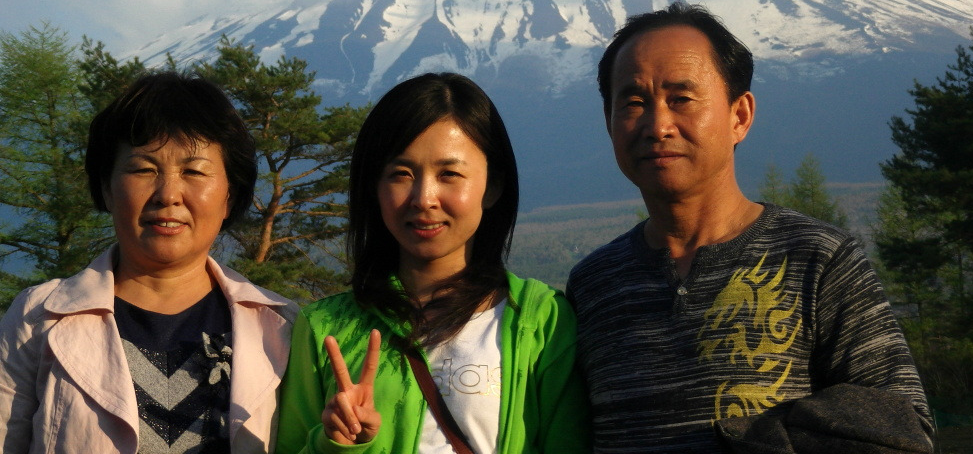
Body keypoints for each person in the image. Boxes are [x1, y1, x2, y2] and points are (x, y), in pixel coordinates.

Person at [565, 3, 934, 454]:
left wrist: (754, 440)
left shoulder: (817, 259)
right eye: (634, 102)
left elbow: (904, 429)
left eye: (681, 99)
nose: (658, 125)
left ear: (739, 116)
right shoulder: (593, 284)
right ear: (608, 122)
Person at [275, 72, 590, 454]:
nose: (424, 198)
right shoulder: (324, 328)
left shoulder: (542, 320)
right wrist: (338, 444)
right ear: (373, 187)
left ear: (492, 186)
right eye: (401, 174)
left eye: (449, 174)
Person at [0, 72, 298, 454]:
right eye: (143, 169)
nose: (168, 194)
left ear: (229, 195)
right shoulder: (36, 318)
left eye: (193, 171)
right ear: (107, 187)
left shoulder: (281, 327)